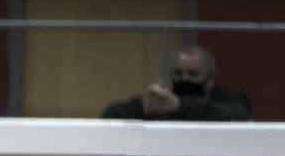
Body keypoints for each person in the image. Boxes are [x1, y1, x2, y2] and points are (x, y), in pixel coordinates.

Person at [100, 44, 250, 121]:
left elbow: (238, 114)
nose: (184, 78)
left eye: (193, 73)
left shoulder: (224, 99)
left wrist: (179, 106)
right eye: (178, 73)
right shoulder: (161, 100)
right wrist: (143, 108)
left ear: (210, 78)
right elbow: (109, 114)